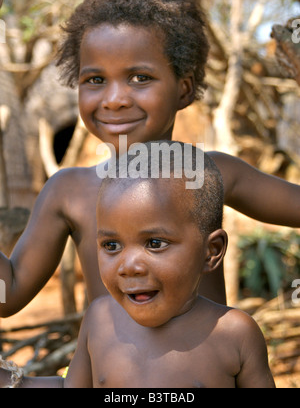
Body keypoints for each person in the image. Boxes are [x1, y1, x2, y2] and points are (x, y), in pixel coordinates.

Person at [0, 0, 299, 318]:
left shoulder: (209, 173)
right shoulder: (68, 192)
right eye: (95, 80)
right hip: (108, 375)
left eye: (140, 77)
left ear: (184, 89)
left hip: (211, 373)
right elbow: (7, 295)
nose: (114, 100)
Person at [0, 143, 276, 388]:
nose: (129, 266)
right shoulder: (100, 319)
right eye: (111, 246)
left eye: (155, 243)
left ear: (211, 251)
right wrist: (13, 382)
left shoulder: (235, 334)